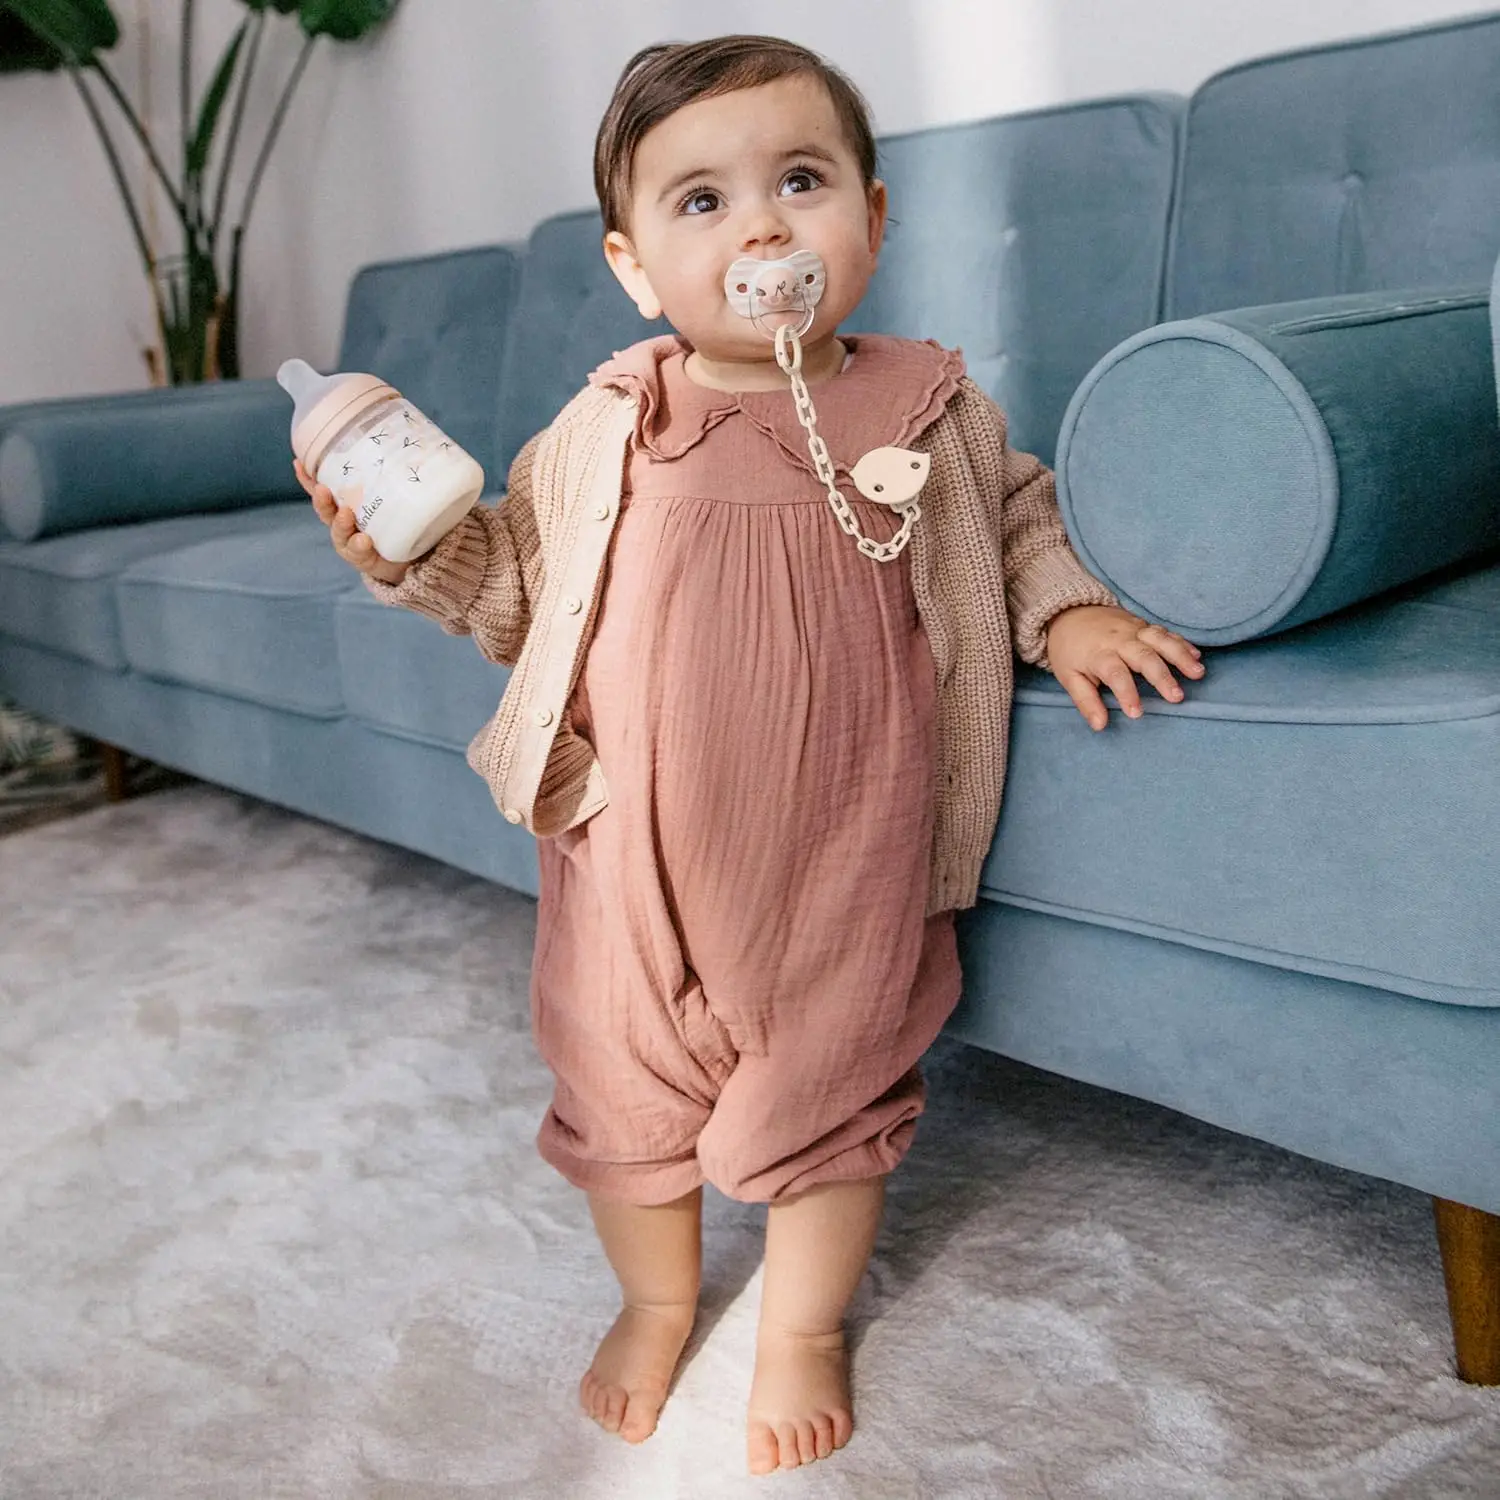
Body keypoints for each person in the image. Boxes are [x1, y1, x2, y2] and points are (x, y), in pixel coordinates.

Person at [296, 34, 1206, 1476]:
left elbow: (1016, 525)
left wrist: (1070, 609)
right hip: (629, 854)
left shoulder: (933, 410)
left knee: (836, 1086)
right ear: (633, 266)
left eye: (801, 182)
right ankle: (658, 1301)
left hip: (847, 846)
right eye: (703, 202)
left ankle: (802, 1327)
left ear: (874, 219)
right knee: (617, 1083)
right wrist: (409, 555)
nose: (765, 229)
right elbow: (516, 589)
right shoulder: (607, 430)